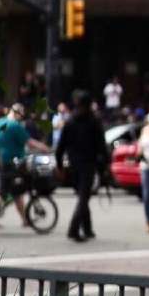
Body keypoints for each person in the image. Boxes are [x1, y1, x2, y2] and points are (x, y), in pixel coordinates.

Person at [56, 91, 109, 243]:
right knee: (84, 197)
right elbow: (101, 146)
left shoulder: (70, 122)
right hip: (88, 164)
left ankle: (87, 228)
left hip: (73, 165)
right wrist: (105, 165)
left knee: (82, 196)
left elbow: (60, 147)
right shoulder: (94, 122)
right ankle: (74, 229)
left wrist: (60, 165)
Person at [0, 103, 46, 226]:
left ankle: (24, 220)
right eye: (21, 114)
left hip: (0, 160)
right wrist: (44, 148)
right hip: (13, 162)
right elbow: (29, 142)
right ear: (18, 113)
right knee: (2, 192)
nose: (22, 118)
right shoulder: (15, 125)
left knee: (17, 192)